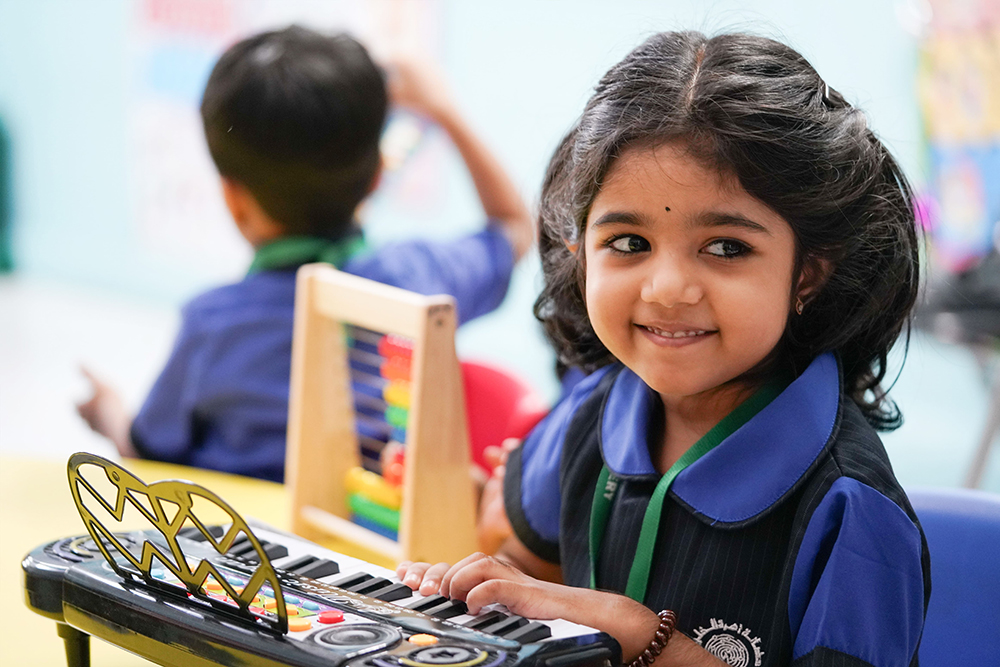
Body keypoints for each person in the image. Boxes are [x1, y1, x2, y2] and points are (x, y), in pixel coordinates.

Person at [398, 31, 930, 667]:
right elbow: (519, 558)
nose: (668, 289)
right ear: (579, 251)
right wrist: (476, 583)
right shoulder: (597, 408)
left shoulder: (851, 509)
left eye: (727, 247)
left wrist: (635, 634)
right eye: (627, 242)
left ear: (808, 274)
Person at [76, 27, 533, 483]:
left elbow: (148, 454)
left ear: (234, 200)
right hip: (383, 549)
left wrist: (110, 412)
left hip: (247, 548)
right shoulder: (418, 277)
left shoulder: (213, 323)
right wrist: (444, 110)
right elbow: (514, 226)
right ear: (377, 176)